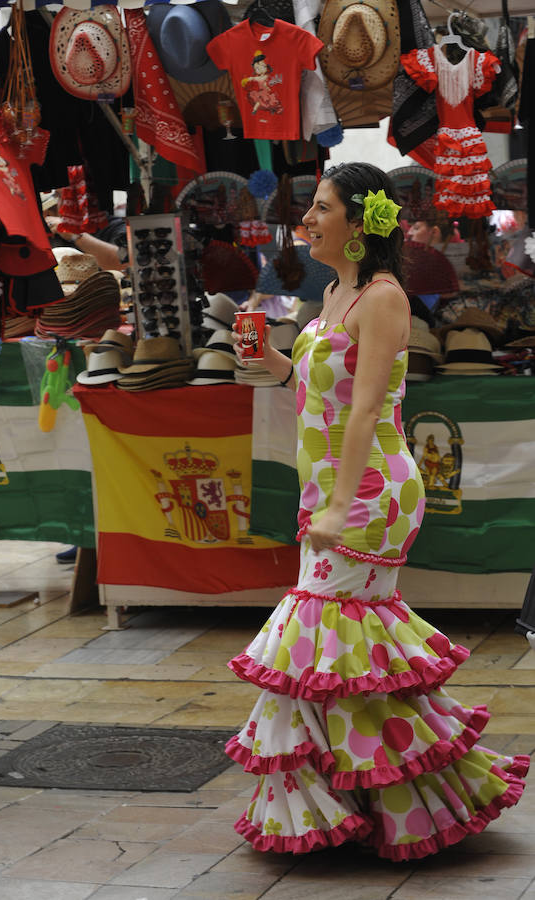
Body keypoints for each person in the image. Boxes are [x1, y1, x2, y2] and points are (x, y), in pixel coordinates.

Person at [228, 162, 529, 860]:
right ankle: (371, 797)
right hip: (329, 489)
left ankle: (362, 802)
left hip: (367, 493)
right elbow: (314, 384)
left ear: (359, 225)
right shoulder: (331, 293)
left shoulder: (383, 298)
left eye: (321, 207)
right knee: (341, 655)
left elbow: (366, 407)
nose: (307, 219)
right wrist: (269, 357)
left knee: (325, 640)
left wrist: (338, 503)